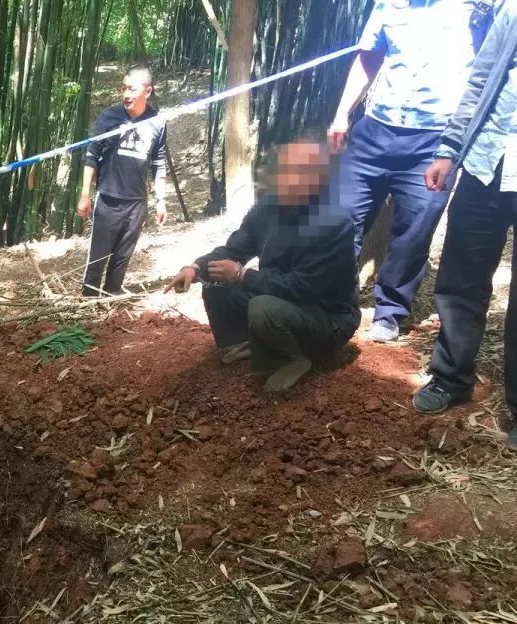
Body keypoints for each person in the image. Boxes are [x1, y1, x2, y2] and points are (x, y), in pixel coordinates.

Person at [328, 0, 499, 342]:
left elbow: (490, 69)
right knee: (341, 219)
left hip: (436, 141)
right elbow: (369, 57)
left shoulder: (480, 8)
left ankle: (390, 312)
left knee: (414, 234)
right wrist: (342, 112)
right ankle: (334, 302)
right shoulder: (389, 4)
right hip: (375, 129)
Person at [164, 140, 359, 393]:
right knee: (216, 280)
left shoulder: (334, 224)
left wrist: (242, 275)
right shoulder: (267, 209)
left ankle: (292, 358)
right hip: (282, 297)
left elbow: (302, 288)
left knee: (263, 307)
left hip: (328, 317)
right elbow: (234, 250)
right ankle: (247, 343)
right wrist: (196, 267)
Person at [412, 4, 517, 448]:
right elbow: (481, 79)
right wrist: (449, 149)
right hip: (486, 163)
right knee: (460, 280)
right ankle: (451, 377)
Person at [77, 66, 168, 297]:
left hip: (137, 202)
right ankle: (88, 299)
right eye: (124, 88)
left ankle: (111, 298)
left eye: (132, 89)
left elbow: (159, 163)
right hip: (108, 198)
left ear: (147, 91)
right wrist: (85, 195)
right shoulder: (109, 117)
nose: (126, 94)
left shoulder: (158, 122)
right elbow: (91, 156)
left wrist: (161, 200)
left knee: (122, 258)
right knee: (97, 258)